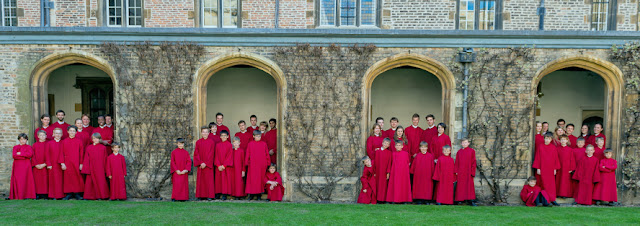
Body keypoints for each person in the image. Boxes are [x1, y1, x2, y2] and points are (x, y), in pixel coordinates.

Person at [532, 133, 560, 205]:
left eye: (549, 139)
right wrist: (538, 168)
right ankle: (543, 200)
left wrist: (555, 169)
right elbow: (537, 157)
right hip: (542, 168)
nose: (547, 140)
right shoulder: (540, 146)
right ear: (544, 138)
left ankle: (552, 199)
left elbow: (555, 159)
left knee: (550, 185)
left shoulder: (553, 147)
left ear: (551, 139)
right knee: (541, 184)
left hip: (550, 168)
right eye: (546, 138)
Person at [82, 133, 110, 200]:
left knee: (100, 181)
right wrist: (86, 168)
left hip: (100, 167)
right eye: (94, 138)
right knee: (90, 182)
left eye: (97, 138)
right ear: (92, 139)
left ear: (100, 139)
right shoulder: (89, 147)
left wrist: (105, 169)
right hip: (91, 167)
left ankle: (101, 196)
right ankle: (89, 196)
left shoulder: (103, 148)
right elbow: (86, 158)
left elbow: (105, 159)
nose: (95, 140)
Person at [245, 130, 271, 200]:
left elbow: (266, 154)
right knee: (252, 179)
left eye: (259, 136)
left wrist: (268, 163)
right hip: (252, 164)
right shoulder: (250, 144)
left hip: (261, 164)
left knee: (260, 180)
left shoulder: (264, 144)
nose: (258, 137)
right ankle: (251, 194)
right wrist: (246, 162)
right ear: (253, 136)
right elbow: (248, 153)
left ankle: (259, 194)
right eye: (256, 136)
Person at [61, 126, 85, 200]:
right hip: (67, 162)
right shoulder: (64, 141)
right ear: (68, 132)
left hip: (76, 161)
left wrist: (81, 163)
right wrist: (62, 163)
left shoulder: (79, 141)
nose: (72, 132)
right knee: (68, 177)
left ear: (76, 132)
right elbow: (61, 153)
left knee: (77, 177)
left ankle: (77, 193)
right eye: (70, 131)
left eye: (73, 131)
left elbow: (81, 153)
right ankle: (69, 193)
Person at [10, 133, 36, 200]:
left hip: (26, 166)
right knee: (18, 180)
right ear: (19, 140)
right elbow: (14, 156)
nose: (23, 141)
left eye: (24, 139)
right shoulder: (15, 147)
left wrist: (21, 153)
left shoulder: (29, 147)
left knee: (26, 180)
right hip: (17, 166)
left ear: (26, 140)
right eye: (21, 139)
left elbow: (30, 155)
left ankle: (27, 195)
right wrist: (24, 156)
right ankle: (18, 195)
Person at [194, 126, 216, 200]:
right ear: (201, 133)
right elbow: (196, 154)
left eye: (206, 132)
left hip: (208, 165)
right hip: (201, 165)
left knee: (208, 181)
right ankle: (200, 195)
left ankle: (209, 196)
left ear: (209, 133)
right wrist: (200, 163)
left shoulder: (212, 142)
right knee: (201, 181)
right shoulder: (198, 142)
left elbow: (211, 154)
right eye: (203, 132)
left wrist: (206, 163)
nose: (205, 133)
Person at [454, 138, 477, 206]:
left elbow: (474, 162)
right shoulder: (459, 152)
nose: (464, 144)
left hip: (468, 171)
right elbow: (457, 162)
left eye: (465, 142)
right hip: (461, 171)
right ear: (461, 143)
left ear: (468, 143)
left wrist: (472, 172)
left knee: (469, 186)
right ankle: (460, 200)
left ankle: (471, 200)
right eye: (463, 142)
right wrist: (456, 171)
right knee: (460, 186)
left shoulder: (472, 151)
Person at [214, 131, 234, 200]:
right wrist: (218, 165)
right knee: (218, 181)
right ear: (220, 136)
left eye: (225, 135)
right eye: (222, 135)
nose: (223, 137)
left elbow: (229, 156)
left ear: (228, 136)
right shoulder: (217, 145)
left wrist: (224, 165)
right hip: (219, 166)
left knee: (225, 181)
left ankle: (224, 194)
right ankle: (218, 193)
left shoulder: (229, 145)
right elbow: (216, 155)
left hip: (225, 166)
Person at [46, 128, 65, 199]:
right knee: (53, 180)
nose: (58, 135)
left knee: (61, 180)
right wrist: (48, 164)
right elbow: (47, 154)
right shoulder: (49, 143)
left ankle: (61, 195)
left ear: (62, 134)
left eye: (59, 133)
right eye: (56, 133)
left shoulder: (63, 142)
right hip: (53, 164)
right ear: (53, 134)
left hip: (61, 164)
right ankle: (53, 195)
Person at [374, 138, 393, 203]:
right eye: (385, 143)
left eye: (387, 144)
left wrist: (388, 172)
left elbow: (389, 163)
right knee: (377, 184)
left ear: (389, 145)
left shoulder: (389, 153)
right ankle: (377, 199)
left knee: (383, 185)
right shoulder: (377, 151)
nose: (385, 144)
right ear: (382, 143)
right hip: (378, 171)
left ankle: (383, 199)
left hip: (384, 172)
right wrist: (374, 171)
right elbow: (374, 161)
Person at [32, 130, 49, 199]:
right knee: (37, 180)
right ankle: (37, 193)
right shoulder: (35, 145)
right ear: (38, 136)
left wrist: (45, 164)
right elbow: (33, 156)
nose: (42, 136)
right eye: (40, 135)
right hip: (37, 165)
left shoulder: (48, 144)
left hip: (45, 165)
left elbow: (50, 155)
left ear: (46, 136)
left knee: (45, 180)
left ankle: (45, 194)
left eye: (43, 135)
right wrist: (36, 164)